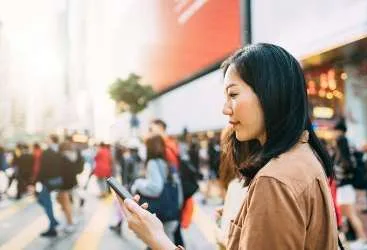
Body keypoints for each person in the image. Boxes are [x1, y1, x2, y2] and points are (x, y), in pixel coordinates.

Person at [117, 43, 341, 250]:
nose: (225, 109)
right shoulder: (303, 155)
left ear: (270, 93)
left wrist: (156, 239)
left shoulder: (274, 180)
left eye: (233, 94)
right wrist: (242, 223)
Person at [131, 134, 182, 242]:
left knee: (161, 243)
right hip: (172, 212)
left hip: (162, 213)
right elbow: (178, 187)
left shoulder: (153, 163)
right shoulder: (167, 163)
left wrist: (138, 183)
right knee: (168, 242)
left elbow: (155, 188)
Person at [333, 120, 367, 250]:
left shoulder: (342, 142)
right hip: (346, 187)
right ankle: (358, 240)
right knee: (347, 215)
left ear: (339, 131)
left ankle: (363, 240)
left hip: (345, 187)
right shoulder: (346, 144)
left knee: (350, 215)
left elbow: (344, 166)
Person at [36, 135, 64, 237]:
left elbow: (43, 168)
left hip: (49, 181)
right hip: (59, 179)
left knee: (44, 201)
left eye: (47, 139)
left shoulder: (47, 152)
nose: (46, 140)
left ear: (52, 140)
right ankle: (54, 222)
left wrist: (38, 180)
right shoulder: (60, 151)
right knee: (44, 200)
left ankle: (53, 225)